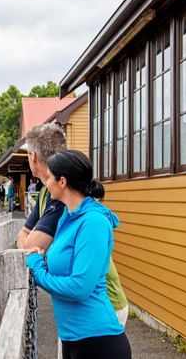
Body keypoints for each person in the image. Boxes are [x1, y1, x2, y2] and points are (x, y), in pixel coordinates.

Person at [16, 123, 129, 326]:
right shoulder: (49, 193)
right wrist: (30, 247)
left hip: (98, 309)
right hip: (77, 313)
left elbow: (30, 247)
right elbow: (25, 238)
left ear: (33, 156)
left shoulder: (65, 200)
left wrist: (34, 260)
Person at [26, 150, 131, 358]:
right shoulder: (68, 216)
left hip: (98, 342)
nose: (46, 183)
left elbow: (79, 287)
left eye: (49, 178)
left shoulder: (93, 222)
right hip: (72, 339)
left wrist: (37, 268)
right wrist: (41, 261)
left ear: (62, 181)